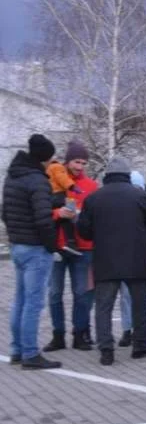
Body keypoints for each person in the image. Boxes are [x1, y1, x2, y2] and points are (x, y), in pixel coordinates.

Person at [77, 156, 146, 366]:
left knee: (104, 306)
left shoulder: (93, 198)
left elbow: (84, 232)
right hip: (136, 259)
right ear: (127, 175)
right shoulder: (140, 196)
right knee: (140, 305)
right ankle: (140, 345)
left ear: (107, 176)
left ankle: (106, 350)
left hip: (105, 261)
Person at [2, 134, 62, 369]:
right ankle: (30, 353)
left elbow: (6, 211)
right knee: (33, 303)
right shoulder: (37, 180)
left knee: (20, 299)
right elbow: (43, 219)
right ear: (44, 158)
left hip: (18, 245)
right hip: (36, 248)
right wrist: (52, 246)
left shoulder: (13, 176)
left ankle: (17, 349)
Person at [43, 141, 99, 353]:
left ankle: (80, 334)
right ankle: (58, 336)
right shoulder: (51, 181)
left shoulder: (91, 186)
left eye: (84, 163)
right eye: (77, 161)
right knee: (55, 293)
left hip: (84, 248)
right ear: (67, 161)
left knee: (82, 293)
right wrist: (58, 214)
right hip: (57, 246)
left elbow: (97, 216)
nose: (80, 166)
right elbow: (40, 212)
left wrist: (81, 215)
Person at [117, 170, 146, 348]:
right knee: (126, 295)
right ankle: (128, 330)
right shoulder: (122, 203)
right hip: (124, 254)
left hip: (143, 255)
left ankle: (139, 333)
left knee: (141, 298)